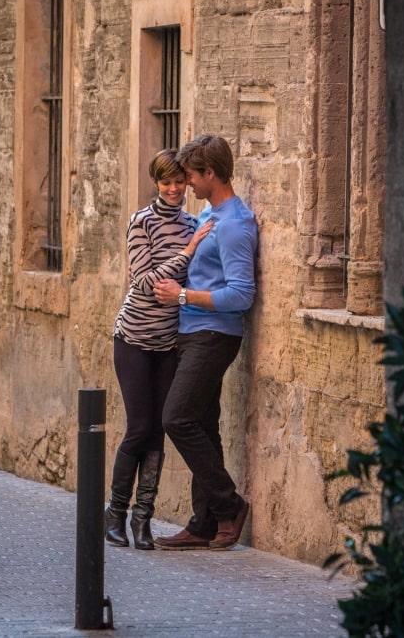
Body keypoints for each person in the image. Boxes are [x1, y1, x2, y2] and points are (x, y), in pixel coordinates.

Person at [151, 134, 258, 551]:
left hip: (214, 335)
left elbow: (241, 295)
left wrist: (182, 296)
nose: (188, 184)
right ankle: (204, 523)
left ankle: (229, 504)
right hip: (191, 331)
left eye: (192, 176)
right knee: (203, 424)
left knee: (176, 418)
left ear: (210, 173)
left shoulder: (234, 225)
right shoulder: (210, 216)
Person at [105, 149, 213, 550]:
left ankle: (142, 520)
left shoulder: (193, 224)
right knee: (138, 427)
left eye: (179, 181)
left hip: (169, 340)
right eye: (165, 182)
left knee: (158, 431)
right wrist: (185, 254)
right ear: (155, 182)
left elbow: (179, 278)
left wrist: (179, 269)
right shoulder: (141, 223)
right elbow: (145, 284)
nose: (173, 189)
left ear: (188, 182)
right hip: (133, 337)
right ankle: (114, 513)